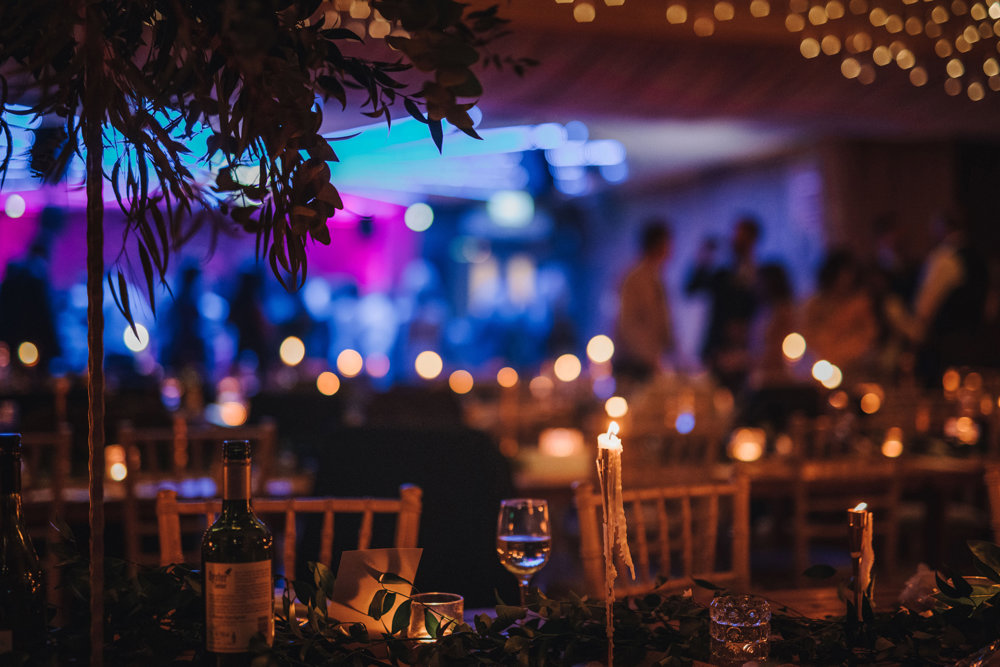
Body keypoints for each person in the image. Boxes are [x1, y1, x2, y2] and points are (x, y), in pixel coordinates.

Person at [886, 209, 989, 387]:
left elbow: (924, 308)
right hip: (979, 343)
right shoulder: (980, 257)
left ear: (942, 228)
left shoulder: (944, 258)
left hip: (945, 347)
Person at [685, 216, 761, 393]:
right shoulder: (722, 273)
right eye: (736, 234)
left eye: (742, 236)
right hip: (716, 349)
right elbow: (691, 289)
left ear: (752, 240)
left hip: (745, 352)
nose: (736, 240)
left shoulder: (758, 275)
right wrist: (703, 257)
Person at [613, 219, 675, 383]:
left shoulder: (655, 277)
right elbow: (628, 325)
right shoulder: (635, 279)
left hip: (648, 362)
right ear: (658, 245)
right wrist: (652, 358)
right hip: (634, 365)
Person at [801, 249, 878, 376]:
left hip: (853, 368)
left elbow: (868, 334)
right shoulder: (815, 304)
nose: (846, 280)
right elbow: (807, 332)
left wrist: (848, 352)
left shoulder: (860, 303)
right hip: (820, 366)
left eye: (849, 274)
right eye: (842, 274)